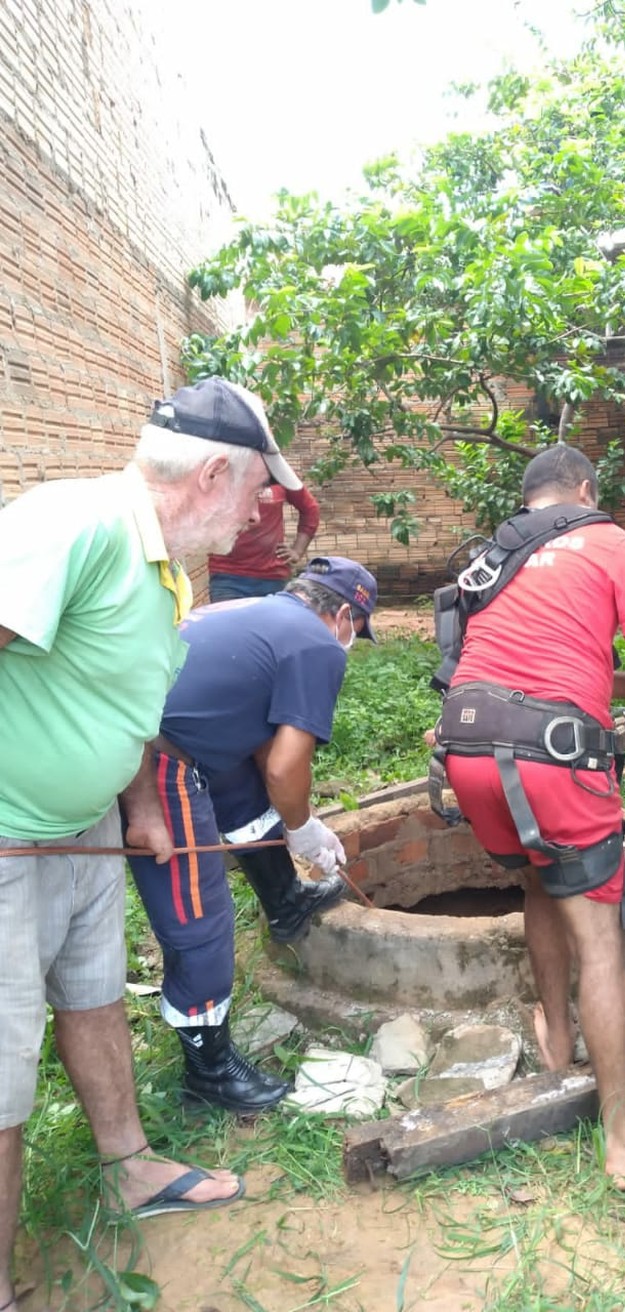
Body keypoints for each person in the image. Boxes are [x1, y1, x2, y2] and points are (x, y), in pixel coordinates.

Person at [0, 375, 303, 1310]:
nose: (260, 510)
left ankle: (130, 1165)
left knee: (92, 1001)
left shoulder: (167, 567)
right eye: (258, 489)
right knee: (3, 1077)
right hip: (9, 847)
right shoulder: (75, 524)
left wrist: (137, 806)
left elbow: (127, 702)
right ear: (213, 472)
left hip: (81, 832)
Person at [436, 446, 625, 1187]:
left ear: (530, 501)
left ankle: (555, 1041)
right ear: (584, 489)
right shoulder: (612, 541)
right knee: (601, 944)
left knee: (539, 883)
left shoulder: (491, 557)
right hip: (552, 757)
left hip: (467, 751)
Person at [126, 557, 378, 1115]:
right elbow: (287, 769)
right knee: (199, 917)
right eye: (357, 632)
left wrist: (291, 820)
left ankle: (285, 901)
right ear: (341, 616)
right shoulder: (314, 644)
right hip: (154, 765)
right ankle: (209, 1072)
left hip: (160, 736)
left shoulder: (251, 610)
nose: (351, 643)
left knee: (243, 790)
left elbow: (261, 741)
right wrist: (301, 826)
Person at [207, 476, 322, 603]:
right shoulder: (221, 470)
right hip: (227, 575)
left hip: (272, 576)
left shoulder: (277, 471)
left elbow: (310, 509)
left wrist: (297, 550)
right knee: (229, 622)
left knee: (271, 623)